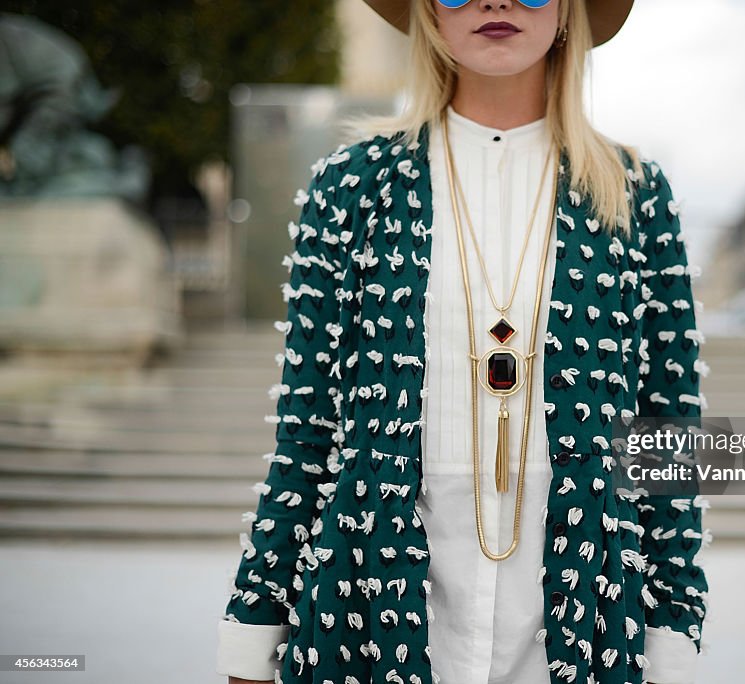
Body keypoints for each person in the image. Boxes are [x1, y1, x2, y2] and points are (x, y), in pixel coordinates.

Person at [215, 2, 710, 684]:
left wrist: (674, 633)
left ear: (569, 10)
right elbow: (307, 431)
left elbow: (669, 436)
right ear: (427, 13)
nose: (497, 1)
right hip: (371, 607)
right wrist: (253, 631)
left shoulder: (634, 194)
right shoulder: (352, 187)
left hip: (584, 614)